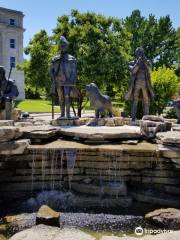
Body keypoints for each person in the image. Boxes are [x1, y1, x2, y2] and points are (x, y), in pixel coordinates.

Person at [50, 36, 77, 118]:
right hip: (58, 82)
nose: (63, 46)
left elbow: (74, 71)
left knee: (67, 97)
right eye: (61, 45)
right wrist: (53, 78)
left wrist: (72, 81)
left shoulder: (72, 59)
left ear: (67, 46)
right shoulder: (55, 59)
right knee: (61, 98)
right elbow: (51, 70)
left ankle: (68, 114)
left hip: (68, 82)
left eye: (64, 45)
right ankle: (62, 114)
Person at [125, 47, 154, 122]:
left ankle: (146, 118)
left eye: (141, 53)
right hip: (136, 84)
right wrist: (138, 63)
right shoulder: (132, 63)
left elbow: (149, 69)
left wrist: (144, 61)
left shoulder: (146, 62)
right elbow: (133, 71)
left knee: (146, 101)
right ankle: (133, 118)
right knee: (135, 101)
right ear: (136, 54)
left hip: (145, 85)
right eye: (138, 53)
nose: (139, 54)